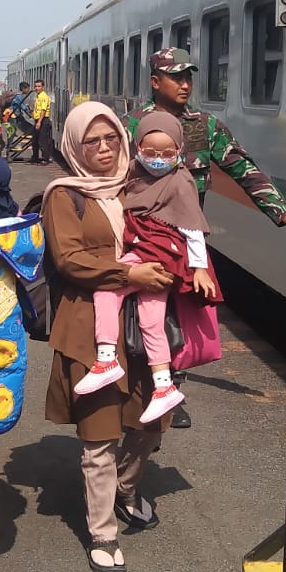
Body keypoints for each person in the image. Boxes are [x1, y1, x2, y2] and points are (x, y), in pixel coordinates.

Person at [124, 48, 286, 429]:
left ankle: (170, 388)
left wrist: (280, 209)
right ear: (155, 82)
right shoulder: (131, 126)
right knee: (141, 314)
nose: (185, 84)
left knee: (182, 316)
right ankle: (142, 385)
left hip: (186, 239)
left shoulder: (204, 127)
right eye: (176, 77)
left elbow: (243, 167)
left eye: (189, 76)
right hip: (141, 239)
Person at [41, 102, 177, 572]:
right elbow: (69, 259)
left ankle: (125, 488)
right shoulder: (65, 194)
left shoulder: (140, 185)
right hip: (88, 327)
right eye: (91, 142)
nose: (103, 149)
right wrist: (129, 270)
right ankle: (102, 530)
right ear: (75, 148)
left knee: (149, 421)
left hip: (142, 323)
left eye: (111, 139)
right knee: (99, 435)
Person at [75, 111, 219, 426]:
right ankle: (164, 385)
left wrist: (199, 268)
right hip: (153, 254)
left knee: (107, 288)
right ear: (138, 147)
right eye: (150, 152)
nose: (157, 160)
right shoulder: (134, 172)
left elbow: (192, 228)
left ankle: (105, 358)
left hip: (157, 253)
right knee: (150, 322)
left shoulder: (180, 180)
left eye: (167, 154)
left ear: (179, 151)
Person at [30, 78, 55, 164]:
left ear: (43, 87)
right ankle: (35, 157)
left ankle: (45, 158)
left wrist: (39, 122)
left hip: (43, 120)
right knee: (35, 140)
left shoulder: (44, 96)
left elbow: (43, 110)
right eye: (36, 86)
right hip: (37, 119)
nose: (37, 88)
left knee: (42, 140)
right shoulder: (38, 96)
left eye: (39, 86)